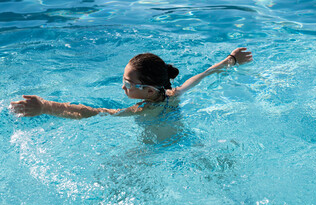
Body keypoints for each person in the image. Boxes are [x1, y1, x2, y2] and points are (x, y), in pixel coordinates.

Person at [11, 47, 252, 119]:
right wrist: (230, 60)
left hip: (153, 151)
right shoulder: (174, 94)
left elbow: (93, 112)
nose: (123, 88)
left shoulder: (141, 110)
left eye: (127, 83)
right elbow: (205, 75)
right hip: (183, 141)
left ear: (147, 91)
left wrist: (46, 106)